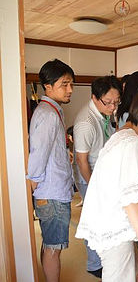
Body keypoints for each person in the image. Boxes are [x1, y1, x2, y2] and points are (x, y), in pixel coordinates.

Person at [75, 89, 138, 282]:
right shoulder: (132, 143)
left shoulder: (122, 136)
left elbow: (136, 188)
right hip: (113, 227)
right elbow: (130, 198)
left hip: (106, 222)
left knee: (134, 272)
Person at [27, 59, 75, 282]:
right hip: (52, 193)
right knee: (53, 248)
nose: (70, 90)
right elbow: (37, 155)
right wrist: (35, 186)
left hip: (53, 191)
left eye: (71, 84)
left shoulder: (51, 110)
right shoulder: (47, 114)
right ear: (48, 86)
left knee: (49, 244)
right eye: (64, 84)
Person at [72, 75, 121, 278]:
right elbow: (81, 161)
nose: (113, 107)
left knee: (103, 220)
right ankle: (94, 265)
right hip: (89, 177)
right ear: (94, 98)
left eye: (116, 102)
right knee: (93, 221)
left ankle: (101, 259)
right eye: (108, 102)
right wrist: (93, 189)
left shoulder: (105, 113)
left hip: (102, 174)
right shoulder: (86, 122)